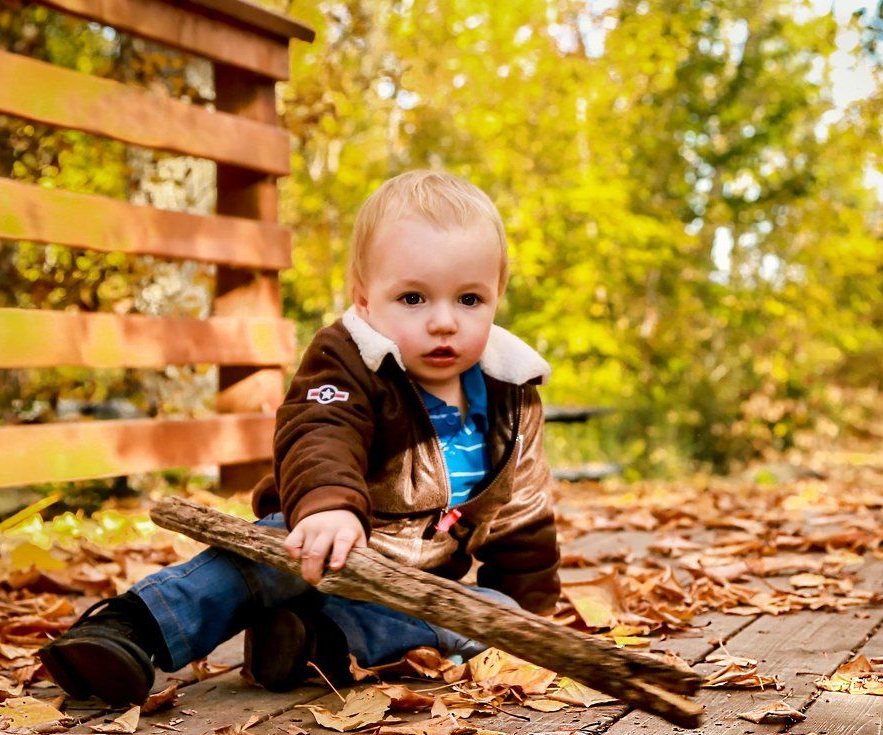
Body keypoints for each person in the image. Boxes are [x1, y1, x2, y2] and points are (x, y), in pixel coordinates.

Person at [39, 170, 561, 706]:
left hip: (413, 585)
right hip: (321, 538)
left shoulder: (512, 394)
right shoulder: (349, 360)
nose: (444, 322)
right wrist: (328, 507)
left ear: (497, 297)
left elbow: (524, 512)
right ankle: (132, 628)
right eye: (413, 298)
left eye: (469, 300)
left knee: (495, 615)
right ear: (364, 300)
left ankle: (313, 643)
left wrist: (536, 628)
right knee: (269, 561)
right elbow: (321, 433)